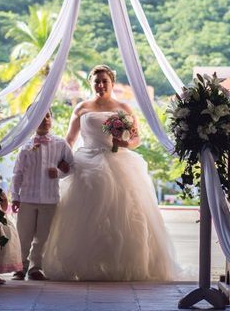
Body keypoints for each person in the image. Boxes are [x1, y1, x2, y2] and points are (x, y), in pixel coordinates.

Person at [44, 64, 180, 281]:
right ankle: (87, 263)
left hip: (119, 160)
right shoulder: (81, 108)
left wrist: (123, 143)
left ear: (112, 83)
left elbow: (136, 139)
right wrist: (61, 161)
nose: (100, 85)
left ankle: (123, 264)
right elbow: (69, 140)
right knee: (86, 210)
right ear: (91, 83)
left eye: (104, 81)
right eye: (96, 81)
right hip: (86, 160)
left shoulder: (123, 108)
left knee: (126, 212)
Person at [10, 109, 73, 281]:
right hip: (27, 198)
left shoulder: (61, 144)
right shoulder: (25, 146)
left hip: (50, 199)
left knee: (43, 237)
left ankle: (36, 267)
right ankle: (20, 267)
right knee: (24, 234)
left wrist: (59, 173)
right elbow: (17, 173)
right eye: (40, 116)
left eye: (48, 115)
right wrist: (15, 196)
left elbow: (72, 166)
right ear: (31, 119)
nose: (45, 119)